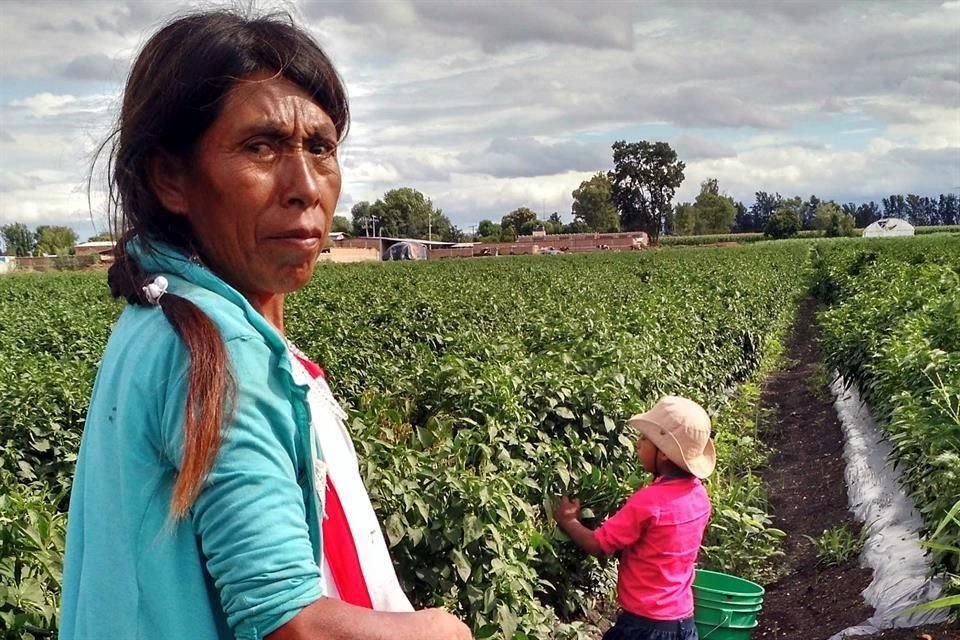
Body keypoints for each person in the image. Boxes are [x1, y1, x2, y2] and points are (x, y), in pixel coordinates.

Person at [59, 10, 472, 640]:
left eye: (321, 148)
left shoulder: (159, 318)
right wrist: (439, 632)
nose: (305, 186)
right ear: (171, 178)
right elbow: (290, 623)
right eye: (261, 147)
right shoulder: (219, 349)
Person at [552, 396, 715, 640]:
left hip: (644, 626)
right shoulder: (699, 496)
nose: (638, 444)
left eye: (644, 439)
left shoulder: (648, 501)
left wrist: (569, 521)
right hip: (683, 623)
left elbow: (599, 545)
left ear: (664, 454)